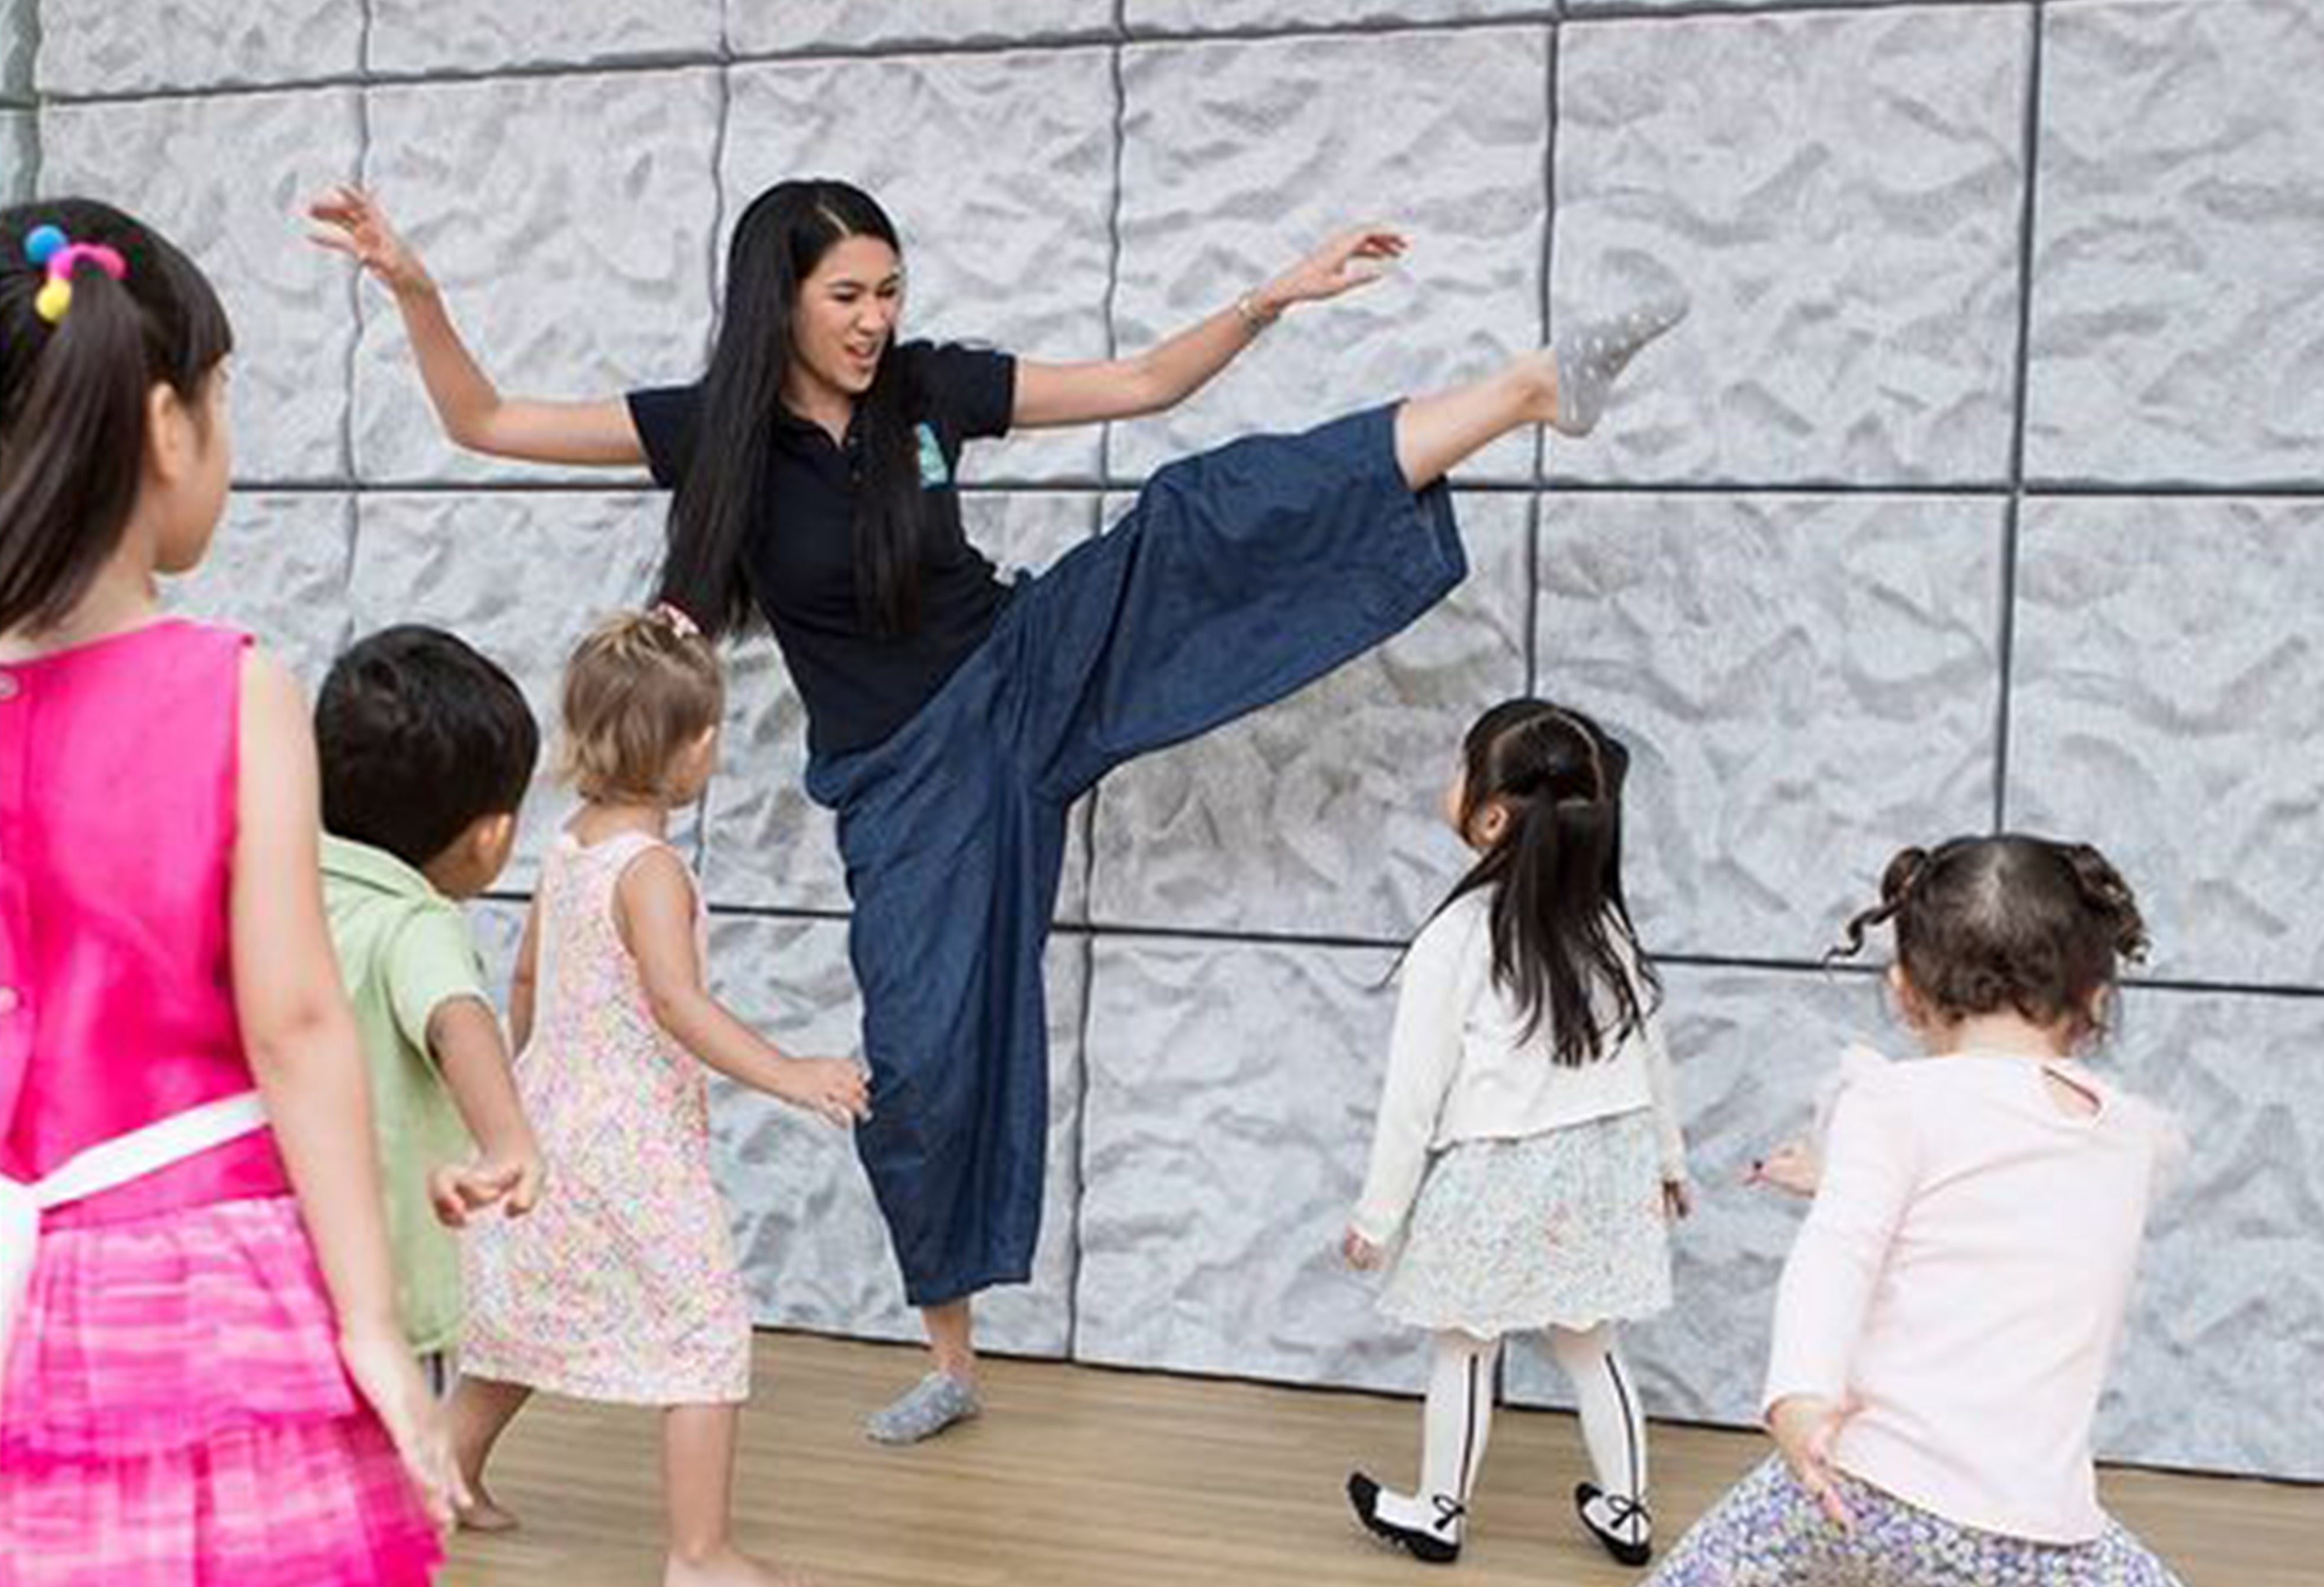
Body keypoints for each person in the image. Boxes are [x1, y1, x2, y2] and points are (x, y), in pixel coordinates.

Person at [312, 177, 1684, 1443]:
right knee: (924, 1053)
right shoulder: (708, 429)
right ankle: (954, 1358)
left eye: (888, 291)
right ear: (779, 297)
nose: (874, 320)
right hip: (905, 774)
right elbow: (483, 421)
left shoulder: (930, 389)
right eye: (847, 295)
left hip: (1023, 668)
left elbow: (1143, 382)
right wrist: (415, 287)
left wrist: (1275, 294)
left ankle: (1526, 390)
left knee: (1196, 514)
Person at [1458, 835, 2256, 1587]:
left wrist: (1797, 1391)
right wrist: (1846, 1185)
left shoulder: (1897, 1103)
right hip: (2029, 1526)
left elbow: (1843, 1255)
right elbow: (2009, 1222)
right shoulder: (2123, 1138)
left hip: (1846, 1487)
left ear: (1904, 988)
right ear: (2096, 995)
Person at [1, 198, 468, 1587]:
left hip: (18, 1287)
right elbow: (296, 1022)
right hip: (201, 1291)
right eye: (224, 399)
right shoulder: (231, 689)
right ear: (162, 425)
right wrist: (376, 1334)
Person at [452, 609, 868, 1587]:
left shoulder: (571, 848)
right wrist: (790, 1073)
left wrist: (523, 1101)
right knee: (707, 1326)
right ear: (692, 750)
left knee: (533, 1307)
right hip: (629, 1135)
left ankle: (444, 1469)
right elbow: (678, 1005)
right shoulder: (651, 871)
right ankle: (700, 1553)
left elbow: (525, 982)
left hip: (554, 1112)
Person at [1344, 698, 1688, 1569]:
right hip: (1601, 1168)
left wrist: (1379, 1217)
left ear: (1492, 815)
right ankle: (1629, 1510)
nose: (1450, 780)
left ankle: (1440, 1511)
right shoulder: (1605, 926)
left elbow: (1412, 1098)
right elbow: (1653, 1056)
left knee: (1464, 1344)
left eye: (1462, 766)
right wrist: (1669, 1162)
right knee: (1593, 1346)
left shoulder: (1459, 935)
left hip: (1497, 1171)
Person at [317, 623, 547, 1386]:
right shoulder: (415, 924)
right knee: (399, 1486)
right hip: (392, 1289)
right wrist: (509, 1138)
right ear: (491, 838)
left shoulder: (276, 890)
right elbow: (457, 1017)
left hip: (275, 1276)